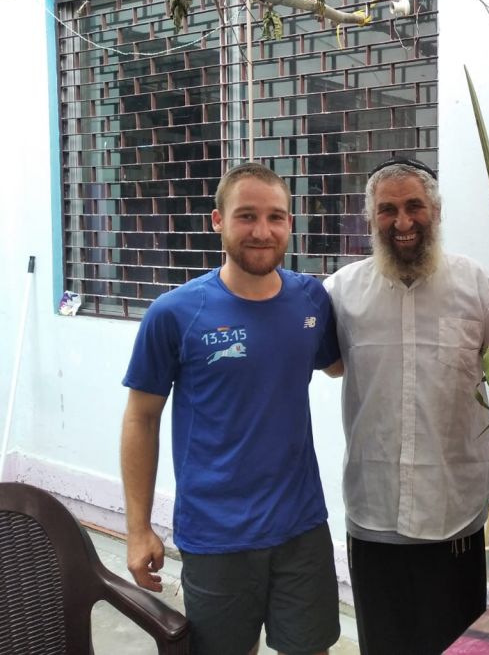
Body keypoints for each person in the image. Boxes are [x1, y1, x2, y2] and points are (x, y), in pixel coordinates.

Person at [120, 162, 343, 655]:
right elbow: (141, 418)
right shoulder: (175, 313)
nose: (262, 231)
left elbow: (340, 364)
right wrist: (137, 529)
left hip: (302, 527)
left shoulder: (310, 300)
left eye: (275, 217)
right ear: (218, 220)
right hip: (216, 535)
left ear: (290, 223)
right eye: (246, 216)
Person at [323, 157, 489, 655]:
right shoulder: (342, 293)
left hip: (454, 512)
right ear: (371, 217)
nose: (403, 221)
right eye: (387, 209)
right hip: (374, 511)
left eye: (414, 206)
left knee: (455, 645)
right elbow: (329, 365)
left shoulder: (474, 284)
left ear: (436, 210)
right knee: (383, 645)